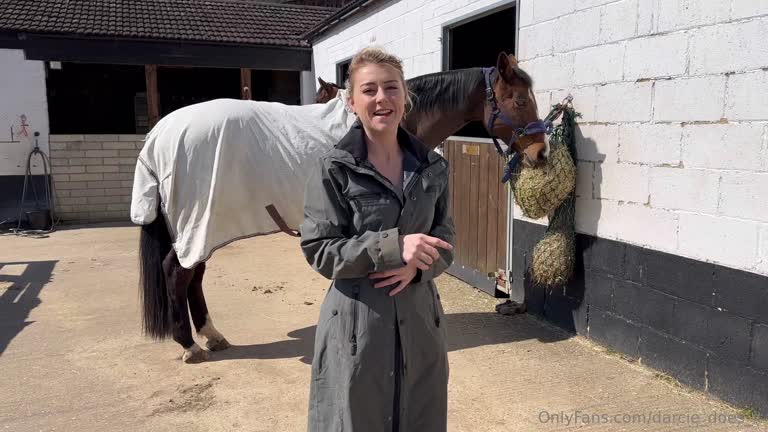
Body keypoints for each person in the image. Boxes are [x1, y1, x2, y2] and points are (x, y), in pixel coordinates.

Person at [300, 47, 456, 432]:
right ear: (352, 102)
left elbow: (445, 236)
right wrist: (391, 248)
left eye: (391, 88)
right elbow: (319, 249)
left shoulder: (433, 167)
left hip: (421, 323)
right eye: (369, 90)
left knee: (420, 417)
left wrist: (417, 269)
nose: (381, 98)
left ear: (406, 97)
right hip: (358, 328)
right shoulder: (334, 168)